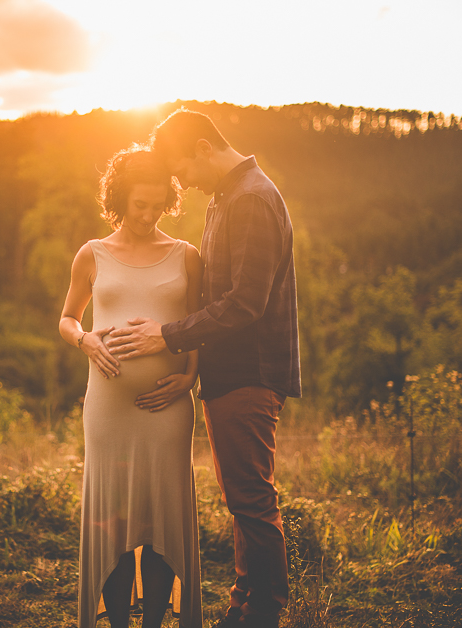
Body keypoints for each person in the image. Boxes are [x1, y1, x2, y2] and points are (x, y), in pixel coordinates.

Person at [106, 109, 301, 628]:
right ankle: (243, 611)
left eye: (181, 169)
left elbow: (246, 303)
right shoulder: (228, 198)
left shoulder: (253, 199)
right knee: (243, 501)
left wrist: (166, 335)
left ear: (201, 146)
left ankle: (261, 615)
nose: (182, 184)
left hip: (249, 373)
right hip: (226, 374)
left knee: (253, 503)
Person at [59, 146, 204, 628]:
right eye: (139, 203)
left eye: (158, 204)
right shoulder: (92, 253)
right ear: (120, 198)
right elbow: (66, 318)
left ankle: (155, 623)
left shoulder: (186, 256)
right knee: (113, 522)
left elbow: (198, 325)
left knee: (162, 518)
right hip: (107, 412)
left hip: (167, 409)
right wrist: (84, 341)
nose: (148, 214)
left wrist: (190, 376)